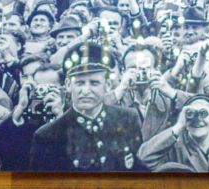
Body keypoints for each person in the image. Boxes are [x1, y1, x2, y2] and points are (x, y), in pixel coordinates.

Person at [28, 40, 144, 172]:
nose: (86, 91)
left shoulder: (128, 118)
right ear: (68, 85)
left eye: (94, 83)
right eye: (80, 83)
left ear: (107, 85)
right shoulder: (48, 135)